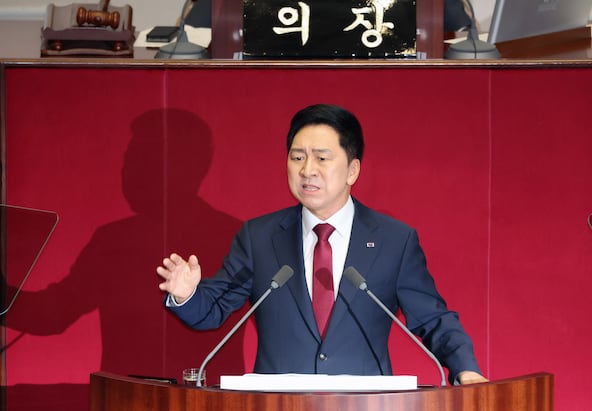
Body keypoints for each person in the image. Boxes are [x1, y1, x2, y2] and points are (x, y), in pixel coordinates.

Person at [157, 104, 487, 385]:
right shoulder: (259, 237)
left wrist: (466, 369)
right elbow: (212, 311)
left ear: (352, 170)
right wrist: (186, 295)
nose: (307, 170)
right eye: (297, 157)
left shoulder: (394, 241)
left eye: (322, 159)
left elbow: (433, 319)